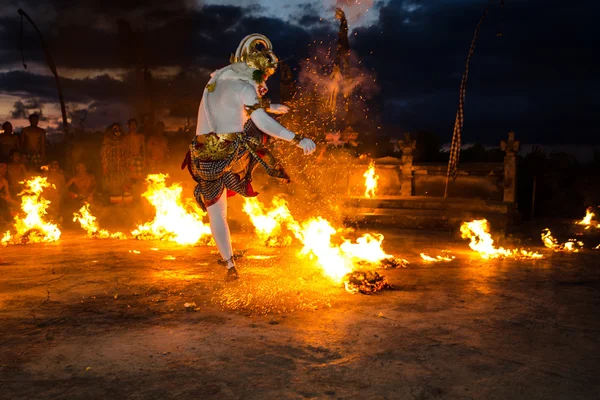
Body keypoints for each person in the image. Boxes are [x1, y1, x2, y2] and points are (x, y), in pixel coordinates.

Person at [182, 33, 316, 281]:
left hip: (202, 155)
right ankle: (279, 171)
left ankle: (229, 264)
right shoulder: (246, 87)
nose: (265, 81)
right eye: (265, 76)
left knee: (217, 212)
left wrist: (268, 105)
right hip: (231, 153)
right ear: (256, 70)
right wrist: (297, 139)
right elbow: (260, 121)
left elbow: (232, 105)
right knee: (256, 132)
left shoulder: (215, 82)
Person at [101, 123, 131, 200]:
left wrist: (130, 165)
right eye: (115, 129)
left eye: (118, 129)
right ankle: (116, 204)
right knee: (115, 185)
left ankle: (126, 203)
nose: (117, 131)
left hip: (124, 168)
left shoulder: (124, 142)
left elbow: (128, 154)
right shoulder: (107, 142)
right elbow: (104, 156)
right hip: (113, 169)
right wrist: (105, 167)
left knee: (125, 184)